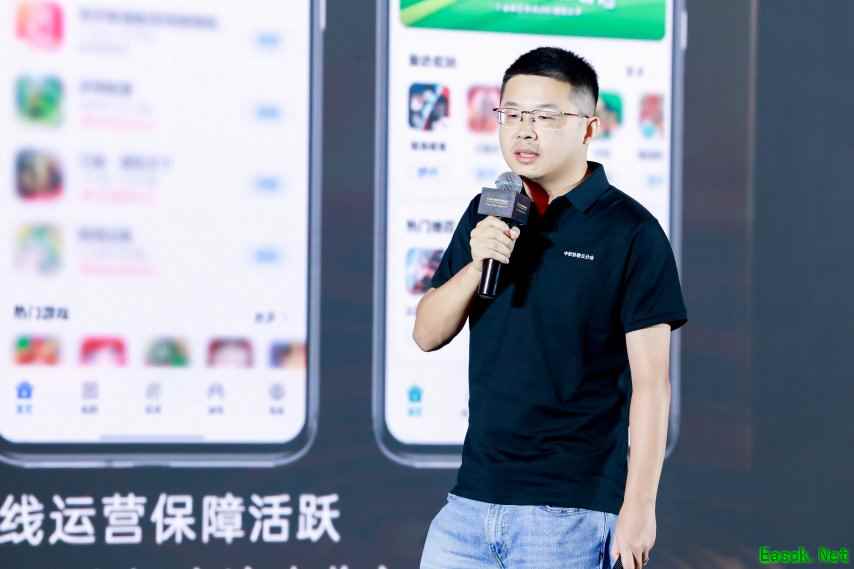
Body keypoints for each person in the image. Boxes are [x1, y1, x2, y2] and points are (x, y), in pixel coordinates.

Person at [414, 47, 687, 569]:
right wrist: (476, 265)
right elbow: (426, 333)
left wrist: (639, 507)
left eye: (544, 117)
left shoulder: (631, 231)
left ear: (588, 128)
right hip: (470, 505)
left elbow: (653, 386)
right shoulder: (487, 213)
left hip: (569, 513)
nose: (524, 131)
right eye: (512, 114)